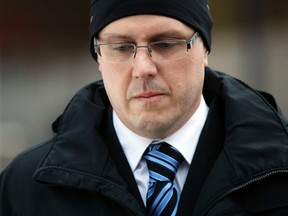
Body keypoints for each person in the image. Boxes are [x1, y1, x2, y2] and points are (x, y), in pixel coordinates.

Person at [1, 0, 288, 215]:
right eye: (121, 47)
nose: (143, 68)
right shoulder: (25, 189)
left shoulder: (278, 171)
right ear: (99, 57)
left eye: (165, 43)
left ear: (205, 50)